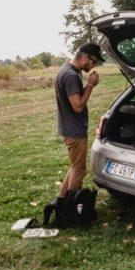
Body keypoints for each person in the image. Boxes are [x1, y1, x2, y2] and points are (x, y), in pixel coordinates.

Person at [54, 42, 105, 201]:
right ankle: (71, 208)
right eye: (93, 61)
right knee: (79, 170)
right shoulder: (70, 75)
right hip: (74, 130)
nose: (94, 65)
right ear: (84, 57)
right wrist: (90, 85)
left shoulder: (70, 70)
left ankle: (61, 200)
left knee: (75, 166)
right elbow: (77, 106)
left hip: (70, 128)